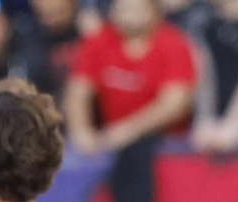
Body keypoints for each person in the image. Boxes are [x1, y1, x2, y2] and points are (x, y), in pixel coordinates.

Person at [65, 0, 195, 153]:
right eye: (123, 10)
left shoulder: (174, 43)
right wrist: (81, 131)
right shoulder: (99, 40)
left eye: (136, 10)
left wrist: (128, 131)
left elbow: (175, 104)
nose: (128, 17)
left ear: (155, 12)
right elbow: (78, 91)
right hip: (111, 142)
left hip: (164, 145)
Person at [188, 0, 238, 152]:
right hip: (213, 125)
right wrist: (204, 118)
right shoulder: (202, 21)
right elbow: (203, 76)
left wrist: (234, 124)